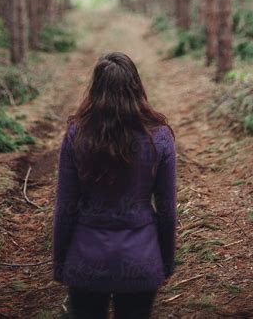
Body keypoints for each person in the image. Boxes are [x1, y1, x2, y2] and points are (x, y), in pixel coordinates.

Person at [52, 51, 177, 319]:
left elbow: (65, 207)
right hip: (141, 260)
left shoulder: (77, 134)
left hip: (86, 261)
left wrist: (61, 262)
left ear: (95, 89)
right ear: (136, 86)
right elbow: (167, 209)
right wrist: (165, 262)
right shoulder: (160, 136)